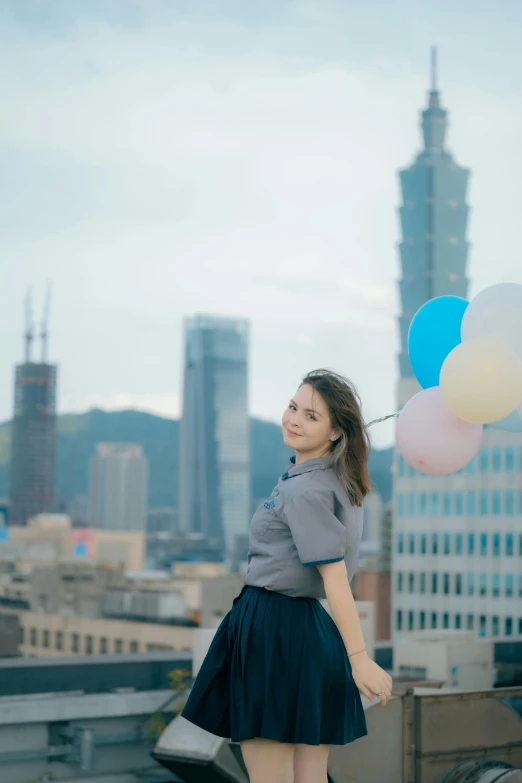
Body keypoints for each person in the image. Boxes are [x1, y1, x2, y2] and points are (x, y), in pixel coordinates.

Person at [181, 368, 393, 783]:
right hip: (306, 632)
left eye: (311, 416)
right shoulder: (337, 482)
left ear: (335, 433)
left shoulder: (305, 491)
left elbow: (335, 580)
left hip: (274, 635)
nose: (294, 419)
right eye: (293, 407)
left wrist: (359, 658)